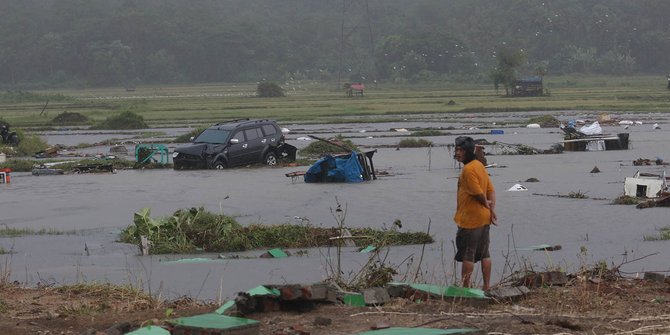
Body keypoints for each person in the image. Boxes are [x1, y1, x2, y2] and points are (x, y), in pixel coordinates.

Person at [453, 136, 497, 291]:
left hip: (471, 219)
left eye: (461, 150)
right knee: (485, 253)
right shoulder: (479, 165)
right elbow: (491, 190)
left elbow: (479, 193)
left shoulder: (469, 169)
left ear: (469, 152)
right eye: (457, 149)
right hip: (484, 217)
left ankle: (465, 289)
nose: (458, 153)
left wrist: (486, 204)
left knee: (468, 254)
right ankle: (486, 288)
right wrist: (491, 211)